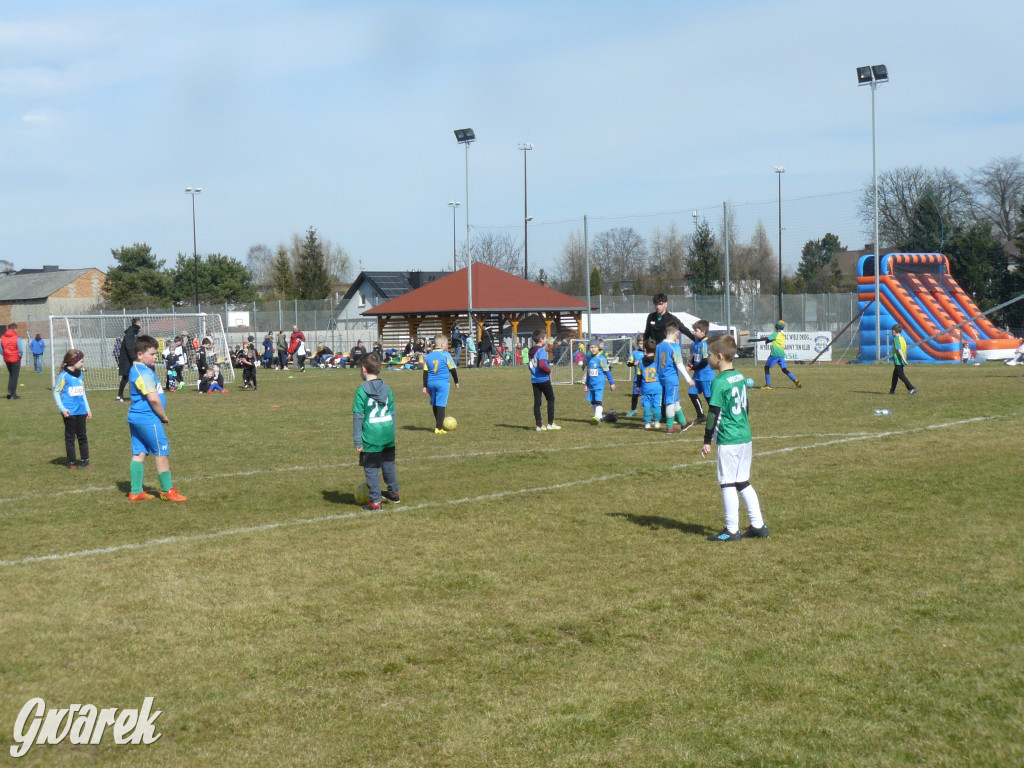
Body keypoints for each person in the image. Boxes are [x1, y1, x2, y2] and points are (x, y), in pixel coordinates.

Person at [701, 333, 768, 542]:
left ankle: (732, 530)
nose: (707, 358)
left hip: (728, 438)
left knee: (727, 483)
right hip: (744, 436)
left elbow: (712, 413)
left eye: (709, 355)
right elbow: (746, 406)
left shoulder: (719, 382)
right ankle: (758, 525)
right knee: (742, 481)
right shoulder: (739, 376)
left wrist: (706, 440)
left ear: (719, 356)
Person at [126, 334, 188, 503]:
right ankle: (167, 490)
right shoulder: (142, 372)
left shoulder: (139, 369)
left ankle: (136, 491)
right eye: (152, 354)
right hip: (148, 418)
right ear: (140, 354)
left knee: (139, 453)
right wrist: (163, 415)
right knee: (162, 452)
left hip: (136, 418)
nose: (156, 357)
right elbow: (153, 398)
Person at [352, 352, 399, 511]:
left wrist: (358, 440)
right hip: (387, 433)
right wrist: (392, 433)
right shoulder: (387, 388)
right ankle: (394, 493)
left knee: (371, 469)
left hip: (371, 436)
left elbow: (358, 417)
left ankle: (375, 502)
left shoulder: (361, 391)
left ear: (364, 369)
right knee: (388, 464)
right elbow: (392, 412)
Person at [53, 349, 92, 468]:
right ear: (72, 362)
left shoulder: (80, 376)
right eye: (81, 361)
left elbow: (82, 393)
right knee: (70, 437)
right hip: (69, 412)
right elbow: (56, 392)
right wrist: (62, 409)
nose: (82, 363)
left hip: (81, 411)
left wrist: (87, 408)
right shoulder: (63, 376)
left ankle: (85, 460)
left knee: (82, 436)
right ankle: (71, 461)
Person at [655, 321, 696, 434]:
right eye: (678, 333)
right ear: (676, 333)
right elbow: (679, 365)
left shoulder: (659, 346)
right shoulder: (674, 347)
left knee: (675, 399)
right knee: (670, 402)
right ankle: (670, 427)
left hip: (662, 377)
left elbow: (657, 362)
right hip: (671, 378)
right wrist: (688, 379)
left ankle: (683, 423)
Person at [423, 334, 460, 433]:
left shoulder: (428, 356)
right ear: (443, 344)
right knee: (441, 404)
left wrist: (424, 386)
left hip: (431, 383)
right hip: (442, 383)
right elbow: (452, 369)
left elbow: (425, 372)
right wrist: (456, 381)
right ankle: (439, 428)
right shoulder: (446, 355)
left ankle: (438, 424)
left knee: (435, 403)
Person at [754, 320, 801, 390]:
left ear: (777, 326)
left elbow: (766, 338)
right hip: (781, 354)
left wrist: (754, 340)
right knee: (784, 369)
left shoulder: (776, 333)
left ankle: (768, 385)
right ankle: (795, 381)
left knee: (766, 368)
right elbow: (775, 340)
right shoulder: (783, 335)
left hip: (775, 354)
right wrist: (769, 341)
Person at [529, 329, 559, 431]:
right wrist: (549, 371)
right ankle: (550, 423)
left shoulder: (531, 350)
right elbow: (542, 365)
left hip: (534, 379)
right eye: (545, 338)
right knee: (551, 399)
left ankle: (539, 425)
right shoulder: (541, 351)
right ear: (541, 339)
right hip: (543, 379)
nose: (546, 339)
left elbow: (530, 365)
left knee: (537, 402)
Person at [688, 320, 714, 424]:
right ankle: (701, 415)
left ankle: (716, 416)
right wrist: (691, 363)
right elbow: (696, 356)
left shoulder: (705, 343)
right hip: (698, 374)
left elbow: (705, 360)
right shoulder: (696, 343)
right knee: (691, 393)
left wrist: (695, 368)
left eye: (696, 330)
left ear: (703, 332)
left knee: (708, 397)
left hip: (706, 375)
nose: (694, 332)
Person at [585, 341, 616, 423]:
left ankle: (597, 416)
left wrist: (611, 383)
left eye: (595, 347)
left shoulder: (601, 358)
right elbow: (589, 372)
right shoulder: (589, 359)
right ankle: (600, 418)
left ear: (598, 348)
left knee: (598, 401)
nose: (593, 349)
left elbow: (607, 371)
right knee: (593, 401)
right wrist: (586, 384)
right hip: (591, 384)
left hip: (599, 383)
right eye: (591, 347)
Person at [116, 317, 142, 402]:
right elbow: (129, 346)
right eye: (140, 323)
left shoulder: (133, 332)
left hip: (129, 358)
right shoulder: (130, 333)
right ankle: (120, 396)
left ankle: (123, 395)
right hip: (126, 359)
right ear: (137, 323)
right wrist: (134, 358)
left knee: (128, 377)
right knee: (126, 377)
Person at [639, 338, 663, 429]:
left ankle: (647, 423)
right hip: (657, 386)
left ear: (645, 349)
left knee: (647, 405)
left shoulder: (641, 362)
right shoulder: (657, 362)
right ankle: (657, 421)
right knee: (657, 404)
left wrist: (638, 385)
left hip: (646, 386)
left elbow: (639, 374)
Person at [889, 324, 917, 395]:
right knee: (895, 375)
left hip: (899, 360)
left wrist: (903, 359)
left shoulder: (896, 339)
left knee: (901, 375)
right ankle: (892, 391)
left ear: (894, 331)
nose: (892, 333)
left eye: (892, 331)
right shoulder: (902, 338)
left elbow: (899, 350)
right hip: (900, 360)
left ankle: (911, 388)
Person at [2, 322, 23, 399]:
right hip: (15, 359)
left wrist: (5, 355)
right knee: (14, 376)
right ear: (15, 329)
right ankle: (13, 394)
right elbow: (20, 349)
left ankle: (9, 392)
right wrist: (20, 356)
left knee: (11, 375)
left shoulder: (3, 337)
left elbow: (1, 349)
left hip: (7, 359)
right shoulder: (17, 337)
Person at [625, 334, 644, 417]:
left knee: (648, 395)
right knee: (635, 394)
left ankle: (651, 409)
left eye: (643, 343)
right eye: (640, 343)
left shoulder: (649, 352)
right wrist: (634, 363)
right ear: (637, 343)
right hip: (637, 378)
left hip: (648, 378)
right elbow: (628, 363)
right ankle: (633, 409)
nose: (642, 345)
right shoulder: (634, 353)